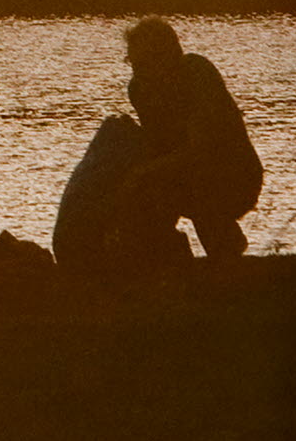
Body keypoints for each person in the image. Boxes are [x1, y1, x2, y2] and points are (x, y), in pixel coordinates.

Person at [106, 17, 264, 262]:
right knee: (141, 192)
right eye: (133, 63)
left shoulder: (197, 73)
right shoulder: (139, 89)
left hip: (234, 173)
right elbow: (155, 143)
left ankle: (224, 252)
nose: (138, 71)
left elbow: (201, 148)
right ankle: (171, 261)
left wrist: (145, 172)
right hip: (182, 174)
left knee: (195, 182)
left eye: (145, 63)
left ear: (167, 56)